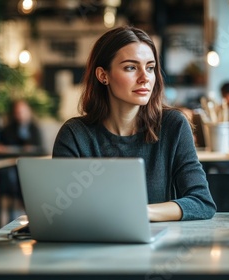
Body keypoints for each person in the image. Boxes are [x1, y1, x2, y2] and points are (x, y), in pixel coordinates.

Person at [52, 26, 216, 222]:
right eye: (131, 67)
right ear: (103, 75)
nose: (145, 77)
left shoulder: (173, 125)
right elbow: (59, 210)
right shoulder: (75, 134)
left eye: (150, 67)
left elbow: (202, 203)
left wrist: (140, 212)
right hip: (92, 246)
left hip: (158, 248)